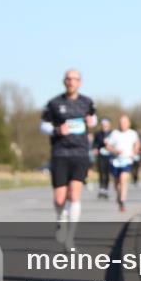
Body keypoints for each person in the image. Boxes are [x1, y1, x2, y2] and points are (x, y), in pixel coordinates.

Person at [41, 69, 97, 249]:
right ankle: (61, 218)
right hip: (60, 153)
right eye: (68, 79)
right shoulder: (54, 103)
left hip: (80, 153)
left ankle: (70, 238)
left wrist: (92, 122)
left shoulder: (87, 102)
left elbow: (93, 119)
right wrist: (57, 130)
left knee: (74, 195)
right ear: (64, 81)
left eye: (75, 79)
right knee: (60, 199)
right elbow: (43, 125)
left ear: (80, 82)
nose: (71, 82)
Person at [106, 114, 141, 211]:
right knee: (116, 183)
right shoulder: (115, 133)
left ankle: (122, 200)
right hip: (116, 161)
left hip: (127, 160)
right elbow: (108, 146)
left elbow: (137, 144)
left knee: (123, 179)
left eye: (125, 122)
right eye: (121, 123)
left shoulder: (132, 133)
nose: (123, 124)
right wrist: (115, 151)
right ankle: (119, 195)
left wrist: (134, 152)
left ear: (129, 123)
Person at [91, 118, 113, 199]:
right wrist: (95, 149)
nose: (104, 126)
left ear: (109, 125)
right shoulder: (98, 134)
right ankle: (101, 188)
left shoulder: (113, 133)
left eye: (106, 125)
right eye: (103, 125)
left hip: (109, 155)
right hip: (101, 155)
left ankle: (106, 188)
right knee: (101, 171)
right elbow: (95, 143)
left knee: (107, 172)